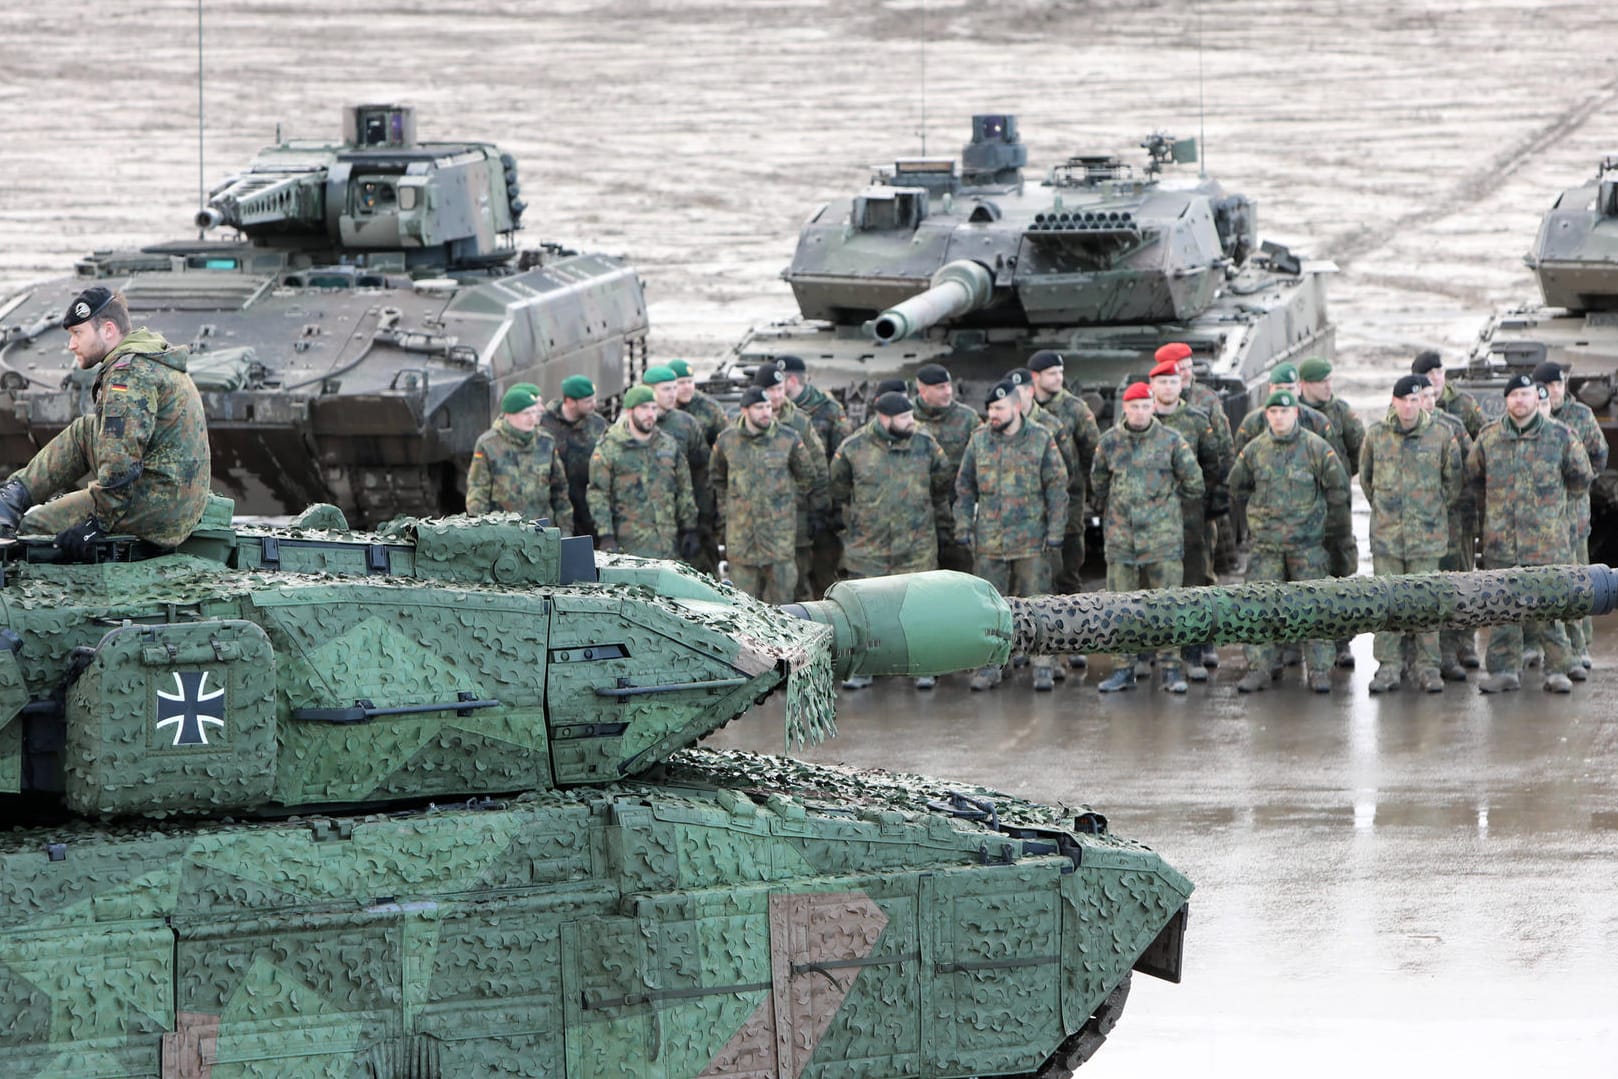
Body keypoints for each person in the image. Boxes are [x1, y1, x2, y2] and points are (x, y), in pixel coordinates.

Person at [0, 286, 210, 557]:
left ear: (108, 331)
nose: (71, 344)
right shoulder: (145, 356)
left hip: (159, 509)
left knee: (33, 525)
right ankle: (14, 495)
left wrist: (96, 523)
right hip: (174, 495)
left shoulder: (128, 374)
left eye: (78, 333)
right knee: (85, 430)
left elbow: (120, 459)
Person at [1467, 373, 1593, 693]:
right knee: (1502, 608)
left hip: (1547, 543)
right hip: (1502, 544)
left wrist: (1553, 515)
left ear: (1536, 398)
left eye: (1525, 394)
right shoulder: (1489, 438)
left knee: (1550, 609)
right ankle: (1505, 670)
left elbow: (1581, 479)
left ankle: (1557, 669)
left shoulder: (1561, 436)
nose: (1520, 401)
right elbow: (1475, 479)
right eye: (1514, 396)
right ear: (1507, 400)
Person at [828, 390, 954, 689]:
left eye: (912, 415)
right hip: (869, 545)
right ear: (884, 418)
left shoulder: (925, 445)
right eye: (904, 417)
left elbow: (941, 483)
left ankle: (924, 664)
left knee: (922, 605)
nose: (912, 422)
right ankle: (864, 668)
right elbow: (838, 487)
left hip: (916, 543)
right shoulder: (854, 448)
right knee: (865, 609)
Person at [1229, 390, 1351, 694]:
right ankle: (1259, 668)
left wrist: (1316, 520)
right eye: (1273, 413)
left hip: (1306, 547)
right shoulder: (1255, 450)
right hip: (1267, 548)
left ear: (1295, 413)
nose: (1279, 417)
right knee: (1258, 607)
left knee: (1315, 607)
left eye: (1284, 412)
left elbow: (1338, 487)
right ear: (1267, 415)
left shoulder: (1316, 448)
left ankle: (1320, 670)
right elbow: (1237, 484)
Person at [954, 379, 1069, 692]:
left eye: (999, 408)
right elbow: (965, 487)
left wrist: (1056, 531)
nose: (993, 413)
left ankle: (1043, 664)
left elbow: (1057, 488)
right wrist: (963, 525)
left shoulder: (1041, 439)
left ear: (1016, 407)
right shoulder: (979, 441)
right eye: (990, 408)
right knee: (990, 609)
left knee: (1038, 604)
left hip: (1032, 540)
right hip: (990, 541)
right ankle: (991, 665)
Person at [1091, 380, 1204, 693]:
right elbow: (1098, 483)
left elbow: (1194, 482)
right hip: (1122, 541)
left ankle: (1171, 669)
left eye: (1144, 405)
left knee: (1168, 606)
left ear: (1153, 407)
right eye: (1133, 406)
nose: (1139, 412)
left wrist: (1164, 508)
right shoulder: (1110, 442)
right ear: (1124, 409)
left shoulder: (1171, 441)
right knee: (1121, 607)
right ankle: (1122, 669)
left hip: (1161, 541)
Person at [1359, 375, 1464, 693]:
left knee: (1427, 604)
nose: (1409, 405)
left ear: (1423, 402)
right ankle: (1389, 667)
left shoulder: (1442, 435)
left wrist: (1428, 515)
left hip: (1426, 540)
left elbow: (1453, 483)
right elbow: (1366, 480)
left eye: (1415, 400)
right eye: (1403, 400)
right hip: (1388, 538)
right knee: (1386, 604)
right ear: (1394, 402)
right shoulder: (1377, 435)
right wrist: (1386, 513)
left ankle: (1428, 667)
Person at [1145, 359, 1229, 681]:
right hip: (1150, 524)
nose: (1169, 386)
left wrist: (1210, 503)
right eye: (1162, 382)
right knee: (1150, 587)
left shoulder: (1196, 420)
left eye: (1174, 381)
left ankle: (1196, 650)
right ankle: (1150, 651)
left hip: (1192, 519)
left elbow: (1214, 462)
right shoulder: (1140, 416)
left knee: (1196, 582)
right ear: (1152, 386)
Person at [1533, 360, 1607, 673]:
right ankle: (1538, 645)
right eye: (1547, 387)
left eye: (1558, 385)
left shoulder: (1581, 415)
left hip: (1573, 515)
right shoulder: (1530, 417)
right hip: (1537, 520)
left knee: (1578, 579)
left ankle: (1579, 645)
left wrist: (1580, 485)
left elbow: (1598, 454)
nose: (1553, 391)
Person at [711, 386, 816, 604]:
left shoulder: (788, 439)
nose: (766, 412)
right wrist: (728, 511)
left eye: (768, 406)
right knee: (742, 606)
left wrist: (784, 505)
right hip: (742, 542)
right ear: (744, 410)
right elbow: (717, 479)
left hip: (778, 541)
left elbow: (807, 477)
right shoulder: (727, 441)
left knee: (784, 606)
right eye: (759, 407)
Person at [1298, 356, 1365, 668]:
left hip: (1336, 513)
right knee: (1301, 577)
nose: (1328, 386)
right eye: (1322, 381)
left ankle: (1341, 642)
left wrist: (1340, 480)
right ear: (1305, 385)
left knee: (1341, 572)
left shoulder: (1342, 412)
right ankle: (1299, 642)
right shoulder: (1292, 414)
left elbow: (1361, 453)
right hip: (1300, 515)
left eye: (1329, 380)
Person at [1413, 376, 1479, 679]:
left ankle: (1457, 648)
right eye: (1421, 395)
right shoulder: (1393, 430)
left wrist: (1450, 506)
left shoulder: (1452, 425)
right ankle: (1416, 655)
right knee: (1419, 590)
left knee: (1456, 582)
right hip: (1414, 529)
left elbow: (1470, 467)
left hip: (1453, 520)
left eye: (1430, 395)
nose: (1428, 400)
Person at [587, 384, 698, 559]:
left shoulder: (668, 445)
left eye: (653, 408)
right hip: (631, 546)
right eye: (644, 408)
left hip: (667, 543)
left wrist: (689, 527)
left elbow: (684, 488)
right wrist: (605, 535)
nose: (650, 414)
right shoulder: (610, 448)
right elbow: (598, 494)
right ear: (630, 411)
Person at [1028, 350, 1101, 594]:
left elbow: (1093, 453)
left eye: (1060, 372)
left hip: (1069, 496)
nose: (1059, 377)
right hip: (1032, 500)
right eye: (1052, 373)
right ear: (1035, 377)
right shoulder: (1023, 407)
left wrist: (1094, 493)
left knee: (1068, 564)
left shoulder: (1075, 409)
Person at [1161, 342, 1237, 574]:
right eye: (1178, 368)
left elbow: (1223, 447)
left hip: (1198, 493)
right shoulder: (1151, 401)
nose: (1185, 373)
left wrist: (1219, 494)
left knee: (1200, 558)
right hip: (1160, 499)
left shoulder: (1205, 398)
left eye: (1188, 367)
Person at [754, 362, 830, 598]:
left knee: (797, 580)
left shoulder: (799, 422)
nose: (777, 396)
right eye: (771, 391)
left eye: (780, 388)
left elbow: (817, 467)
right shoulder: (743, 424)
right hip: (755, 520)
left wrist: (819, 509)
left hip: (794, 516)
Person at [779, 355, 850, 597]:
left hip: (822, 504)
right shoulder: (775, 413)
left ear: (790, 380)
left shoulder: (828, 410)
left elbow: (842, 457)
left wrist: (832, 506)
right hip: (791, 507)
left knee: (825, 573)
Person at [465, 385, 573, 530]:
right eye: (525, 413)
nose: (531, 418)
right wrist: (482, 533)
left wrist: (565, 531)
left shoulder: (545, 442)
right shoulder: (488, 445)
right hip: (504, 532)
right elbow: (478, 494)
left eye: (534, 413)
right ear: (509, 414)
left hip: (541, 530)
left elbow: (560, 491)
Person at [644, 364, 715, 572]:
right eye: (666, 389)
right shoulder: (635, 425)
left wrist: (702, 518)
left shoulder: (686, 424)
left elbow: (703, 471)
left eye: (674, 388)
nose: (673, 394)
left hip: (685, 517)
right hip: (646, 525)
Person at [912, 363, 980, 573]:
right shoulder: (907, 419)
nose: (948, 392)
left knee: (961, 572)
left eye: (948, 385)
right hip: (917, 516)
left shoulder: (968, 418)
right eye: (940, 387)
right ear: (923, 390)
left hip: (955, 513)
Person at [539, 375, 608, 539]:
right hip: (556, 505)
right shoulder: (544, 424)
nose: (594, 404)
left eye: (594, 399)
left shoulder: (598, 425)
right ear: (570, 402)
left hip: (587, 505)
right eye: (587, 401)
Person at [1412, 350, 1485, 439]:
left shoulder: (1464, 403)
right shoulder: (1408, 405)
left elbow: (1485, 438)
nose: (1436, 378)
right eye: (1430, 374)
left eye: (1439, 372)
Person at [667, 359, 727, 447]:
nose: (687, 387)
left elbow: (725, 442)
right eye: (681, 383)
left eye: (690, 382)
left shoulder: (710, 408)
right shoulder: (658, 407)